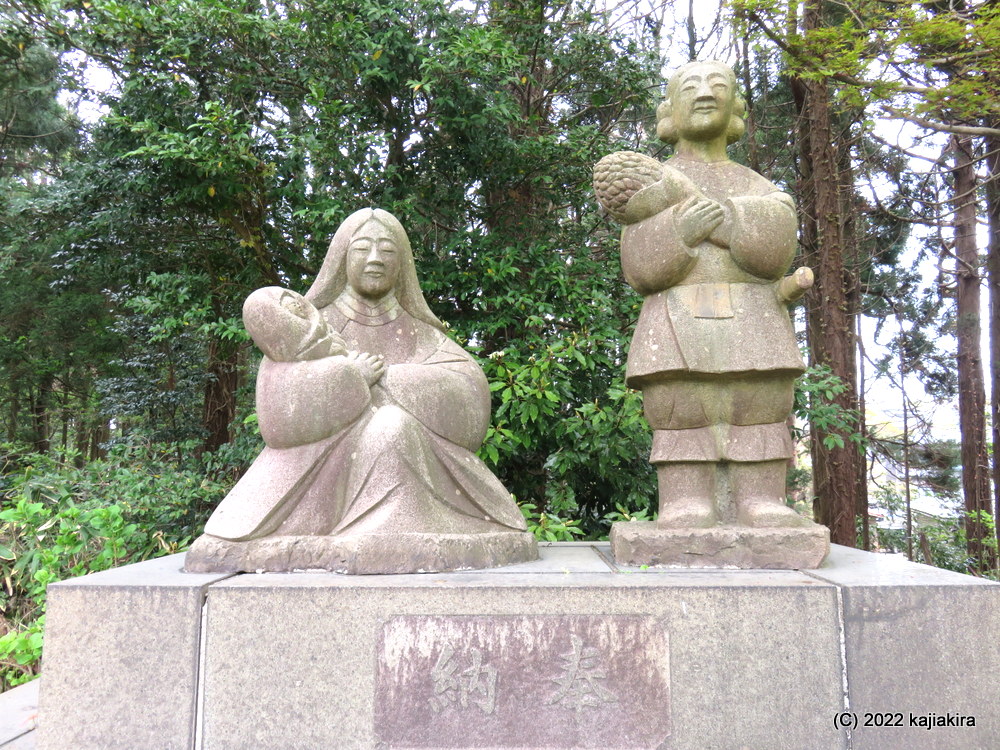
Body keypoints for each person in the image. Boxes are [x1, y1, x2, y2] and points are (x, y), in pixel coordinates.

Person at [188, 208, 531, 572]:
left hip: (417, 470)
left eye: (387, 250)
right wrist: (352, 379)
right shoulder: (310, 328)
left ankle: (396, 532)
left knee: (393, 425)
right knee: (391, 425)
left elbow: (470, 399)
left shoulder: (422, 333)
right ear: (341, 258)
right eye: (362, 248)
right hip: (321, 475)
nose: (374, 259)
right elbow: (278, 413)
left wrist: (387, 379)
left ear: (402, 264)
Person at [594, 60, 813, 529]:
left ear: (737, 106)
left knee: (759, 408)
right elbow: (639, 267)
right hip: (675, 321)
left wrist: (727, 221)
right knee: (680, 411)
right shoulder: (653, 186)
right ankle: (685, 501)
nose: (705, 92)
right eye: (690, 86)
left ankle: (761, 501)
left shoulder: (756, 185)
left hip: (755, 319)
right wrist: (680, 230)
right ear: (668, 111)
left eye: (718, 84)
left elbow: (774, 249)